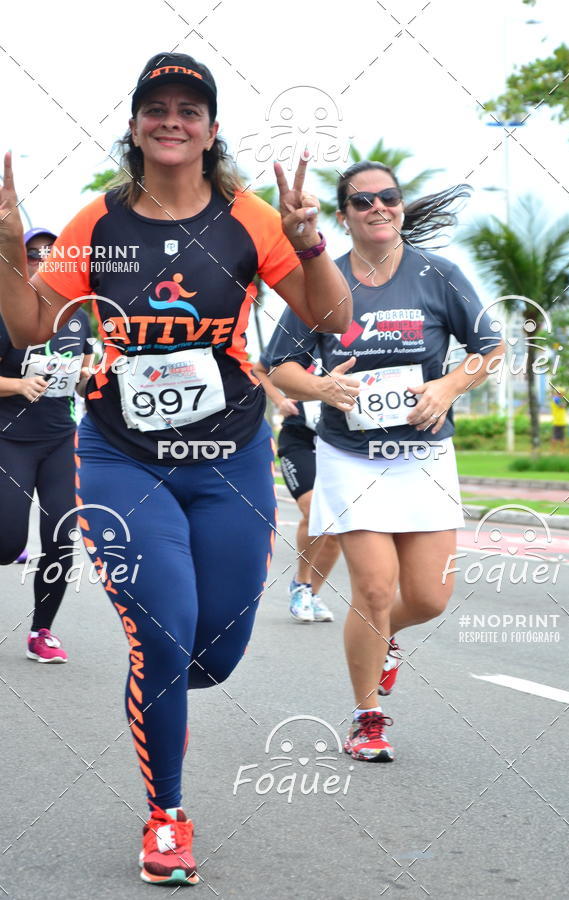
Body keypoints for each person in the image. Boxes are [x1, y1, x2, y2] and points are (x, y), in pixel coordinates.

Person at [0, 53, 350, 884]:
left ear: (211, 128)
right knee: (161, 635)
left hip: (229, 456)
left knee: (214, 650)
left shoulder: (251, 219)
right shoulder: (97, 224)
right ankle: (167, 819)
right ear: (133, 125)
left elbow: (328, 316)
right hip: (121, 458)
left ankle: (164, 693)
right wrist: (10, 249)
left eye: (188, 109)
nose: (171, 120)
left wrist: (311, 246)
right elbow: (28, 329)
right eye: (155, 107)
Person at [266, 161, 505, 763]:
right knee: (373, 589)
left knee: (427, 597)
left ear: (400, 206)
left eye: (388, 198)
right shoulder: (322, 279)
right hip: (351, 456)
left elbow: (490, 348)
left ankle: (386, 638)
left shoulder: (438, 275)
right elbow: (281, 366)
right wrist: (323, 389)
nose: (379, 208)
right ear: (343, 215)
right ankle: (366, 716)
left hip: (424, 455)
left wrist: (447, 388)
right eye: (363, 201)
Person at [0, 227, 92, 661]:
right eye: (32, 254)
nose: (41, 260)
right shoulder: (5, 311)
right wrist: (17, 385)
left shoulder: (78, 316)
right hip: (10, 439)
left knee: (61, 536)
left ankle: (42, 631)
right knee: (6, 543)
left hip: (60, 438)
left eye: (49, 255)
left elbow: (84, 370)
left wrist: (92, 380)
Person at [253, 354, 339, 623]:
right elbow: (259, 369)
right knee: (314, 508)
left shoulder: (357, 339)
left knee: (335, 526)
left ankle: (312, 593)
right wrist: (279, 400)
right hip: (300, 440)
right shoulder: (301, 338)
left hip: (341, 443)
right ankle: (301, 584)